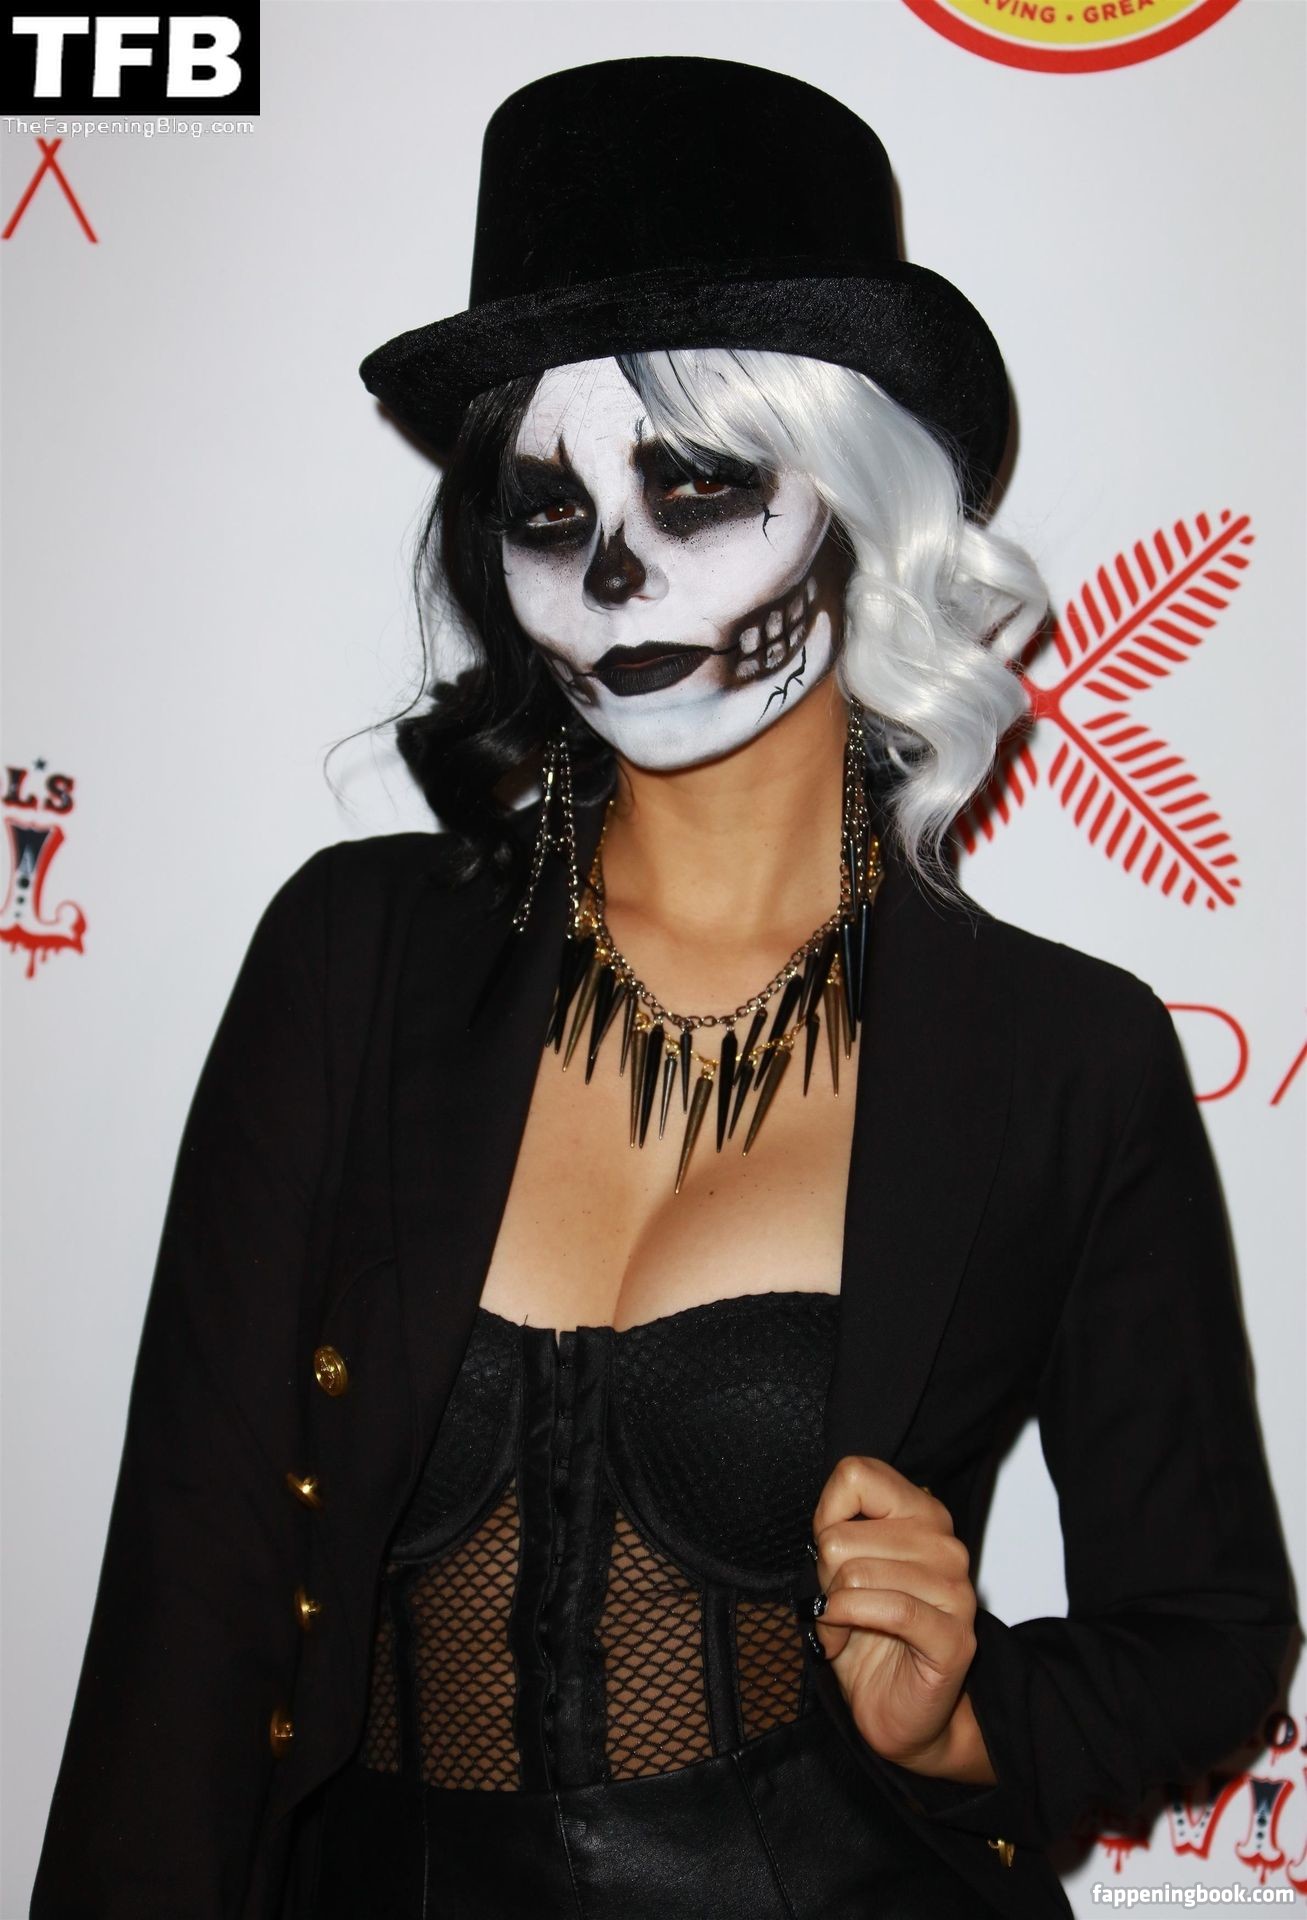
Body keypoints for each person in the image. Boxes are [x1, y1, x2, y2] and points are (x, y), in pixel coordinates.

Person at [31, 55, 1297, 1920]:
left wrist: (968, 1723)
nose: (619, 577)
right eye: (549, 512)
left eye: (699, 487)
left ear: (864, 498)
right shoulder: (351, 959)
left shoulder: (1062, 1057)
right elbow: (185, 1614)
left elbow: (1207, 1633)